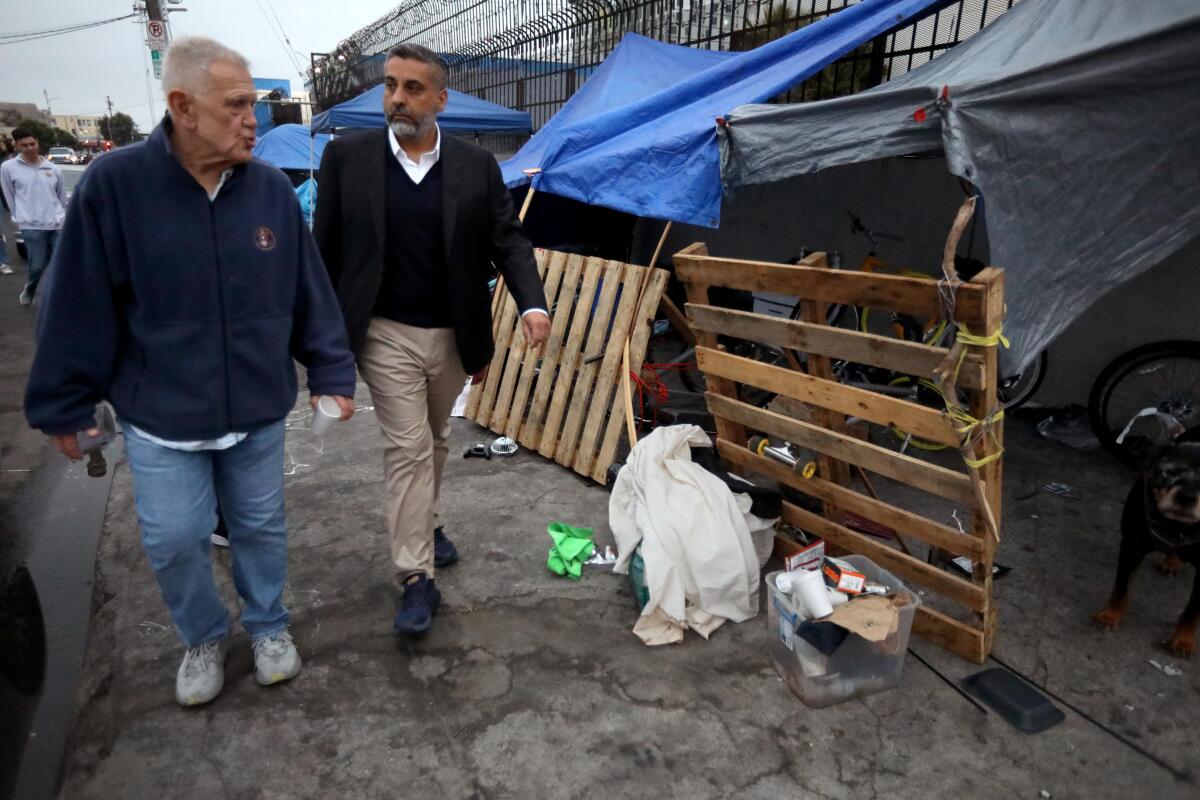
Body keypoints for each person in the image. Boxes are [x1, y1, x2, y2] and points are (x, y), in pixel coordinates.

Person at [24, 37, 357, 707]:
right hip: (161, 415)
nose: (251, 121)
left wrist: (331, 371)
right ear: (182, 106)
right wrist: (65, 403)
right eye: (235, 105)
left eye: (252, 106)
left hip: (257, 410)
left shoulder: (269, 190)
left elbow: (307, 290)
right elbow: (78, 302)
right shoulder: (114, 187)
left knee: (259, 528)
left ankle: (268, 628)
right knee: (175, 537)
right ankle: (203, 635)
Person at [314, 44, 550, 637]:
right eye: (391, 85)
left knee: (439, 436)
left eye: (413, 88)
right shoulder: (348, 158)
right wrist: (321, 343)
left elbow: (509, 241)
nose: (397, 98)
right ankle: (415, 576)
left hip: (452, 331)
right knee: (410, 447)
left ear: (440, 99)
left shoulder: (475, 166)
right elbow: (324, 254)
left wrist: (533, 304)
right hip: (382, 332)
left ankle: (428, 522)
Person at [0, 128, 65, 303]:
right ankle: (30, 289)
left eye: (32, 144)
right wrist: (19, 218)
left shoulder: (52, 168)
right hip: (31, 226)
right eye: (25, 145)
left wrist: (62, 217)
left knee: (61, 264)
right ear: (17, 146)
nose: (30, 148)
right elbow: (9, 196)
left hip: (57, 224)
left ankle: (58, 297)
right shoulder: (8, 168)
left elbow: (60, 197)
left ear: (38, 143)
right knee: (37, 265)